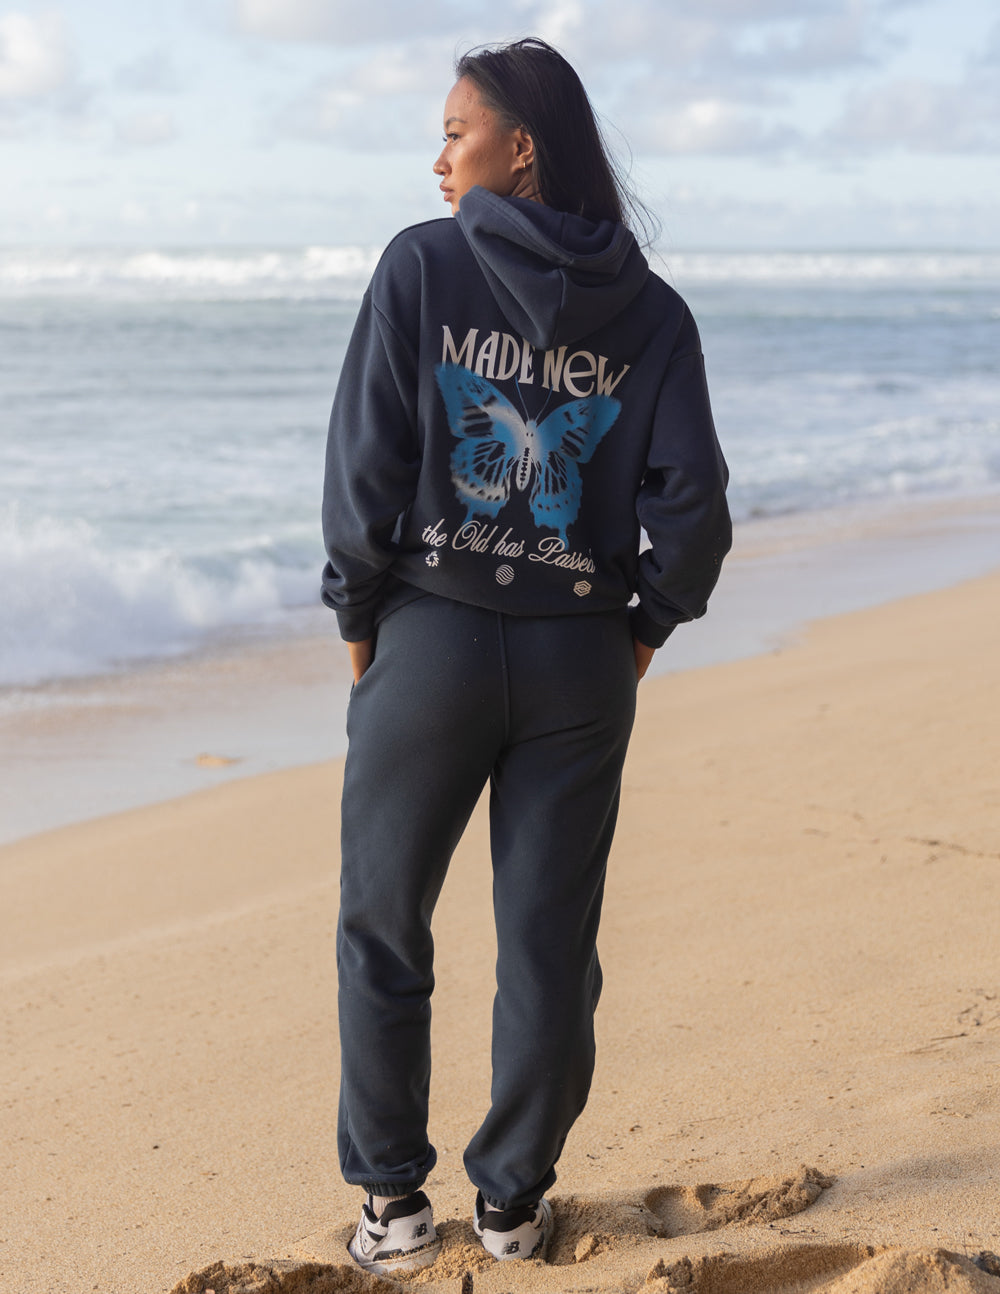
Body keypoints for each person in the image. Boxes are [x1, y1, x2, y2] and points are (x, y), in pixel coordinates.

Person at [321, 36, 731, 1276]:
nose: (438, 156)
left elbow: (367, 466)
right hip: (578, 662)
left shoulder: (422, 264)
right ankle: (509, 1207)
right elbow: (695, 505)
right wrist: (648, 623)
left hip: (430, 644)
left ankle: (394, 1207)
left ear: (521, 146)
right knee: (548, 940)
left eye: (456, 130)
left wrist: (358, 615)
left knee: (385, 926)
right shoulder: (653, 313)